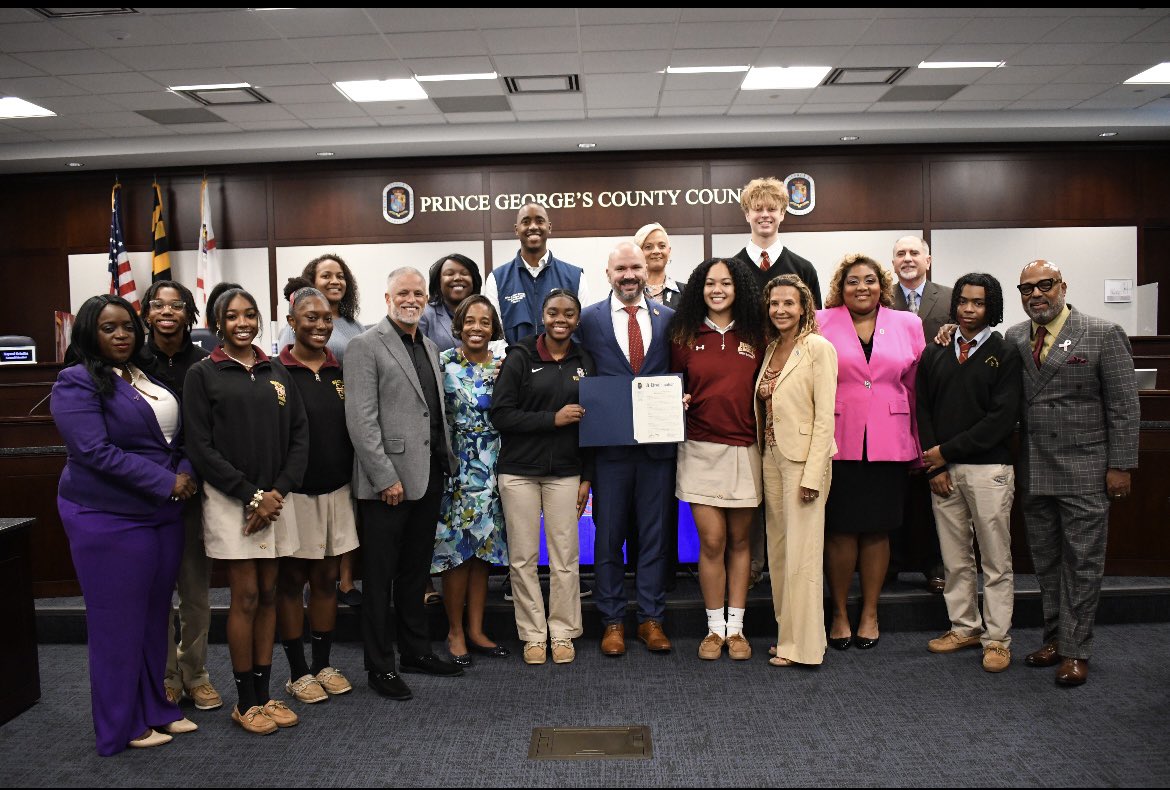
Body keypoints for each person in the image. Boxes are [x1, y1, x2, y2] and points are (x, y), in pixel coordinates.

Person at [52, 294, 198, 755]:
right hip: (107, 516)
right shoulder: (75, 382)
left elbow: (174, 439)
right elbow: (93, 452)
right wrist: (166, 482)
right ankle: (121, 724)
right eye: (109, 328)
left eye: (128, 327)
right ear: (88, 334)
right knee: (118, 625)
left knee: (155, 619)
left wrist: (187, 474)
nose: (122, 335)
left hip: (160, 512)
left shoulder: (142, 375)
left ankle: (155, 707)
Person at [1006, 260, 1139, 686]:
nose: (1036, 294)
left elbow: (1124, 406)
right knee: (1045, 564)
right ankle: (1053, 641)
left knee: (1083, 563)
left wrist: (1121, 465)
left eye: (1044, 285)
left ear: (1062, 286)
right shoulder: (1013, 338)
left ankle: (1076, 650)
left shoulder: (1101, 333)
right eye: (1027, 289)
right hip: (1035, 469)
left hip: (1086, 469)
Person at [184, 288, 309, 734]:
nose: (242, 322)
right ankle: (244, 701)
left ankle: (265, 693)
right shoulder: (204, 373)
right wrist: (251, 495)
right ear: (219, 323)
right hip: (230, 500)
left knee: (271, 593)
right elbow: (198, 445)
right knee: (248, 596)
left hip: (276, 502)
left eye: (249, 314)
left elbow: (299, 437)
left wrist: (275, 492)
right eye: (232, 315)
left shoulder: (277, 369)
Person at [344, 267, 462, 702]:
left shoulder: (429, 344)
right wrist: (383, 477)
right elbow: (361, 420)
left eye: (418, 293)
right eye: (403, 293)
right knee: (380, 579)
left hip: (428, 476)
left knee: (415, 574)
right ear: (388, 296)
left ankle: (415, 652)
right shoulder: (364, 346)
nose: (411, 299)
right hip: (387, 485)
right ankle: (379, 666)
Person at [818, 254, 924, 651]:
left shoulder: (908, 324)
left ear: (882, 285)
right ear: (840, 288)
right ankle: (841, 613)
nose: (861, 287)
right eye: (852, 281)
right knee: (841, 529)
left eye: (869, 280)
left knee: (879, 529)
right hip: (837, 437)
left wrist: (918, 443)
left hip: (890, 437)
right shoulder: (820, 321)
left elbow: (915, 387)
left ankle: (870, 612)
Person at [917, 273, 1021, 673]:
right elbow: (922, 410)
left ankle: (997, 640)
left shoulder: (1005, 351)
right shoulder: (936, 351)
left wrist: (946, 452)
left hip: (989, 471)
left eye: (978, 303)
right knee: (955, 559)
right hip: (943, 474)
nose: (969, 310)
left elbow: (1001, 420)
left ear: (990, 307)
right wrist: (934, 465)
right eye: (963, 301)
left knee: (996, 561)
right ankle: (964, 628)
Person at [575, 242, 675, 656]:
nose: (629, 274)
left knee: (655, 537)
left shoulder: (669, 318)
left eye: (635, 266)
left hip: (657, 448)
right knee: (608, 536)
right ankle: (612, 621)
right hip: (609, 449)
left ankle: (651, 619)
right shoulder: (587, 320)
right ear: (608, 273)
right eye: (621, 268)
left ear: (646, 270)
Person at [668, 257, 766, 660]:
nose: (718, 289)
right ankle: (713, 629)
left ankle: (737, 630)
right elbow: (673, 386)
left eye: (726, 283)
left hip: (746, 449)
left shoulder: (758, 334)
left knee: (741, 541)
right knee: (712, 541)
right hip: (700, 448)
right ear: (698, 288)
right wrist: (679, 399)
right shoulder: (683, 335)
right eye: (710, 283)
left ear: (739, 288)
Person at [491, 289, 595, 665]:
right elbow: (501, 415)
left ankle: (563, 631)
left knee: (566, 556)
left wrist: (587, 476)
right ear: (542, 316)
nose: (561, 319)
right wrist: (552, 419)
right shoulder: (520, 357)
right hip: (518, 471)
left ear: (577, 319)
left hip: (567, 472)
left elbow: (595, 424)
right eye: (553, 313)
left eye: (568, 313)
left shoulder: (585, 360)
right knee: (522, 558)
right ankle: (533, 635)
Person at [274, 279, 360, 704]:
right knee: (292, 582)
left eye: (327, 319)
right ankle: (297, 671)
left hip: (337, 490)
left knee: (327, 580)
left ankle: (323, 663)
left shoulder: (340, 371)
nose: (321, 326)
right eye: (311, 318)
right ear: (292, 322)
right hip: (295, 495)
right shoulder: (276, 373)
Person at [139, 281, 222, 712]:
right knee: (157, 592)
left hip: (190, 491)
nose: (168, 311)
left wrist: (186, 474)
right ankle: (167, 675)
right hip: (142, 494)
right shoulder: (133, 361)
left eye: (177, 305)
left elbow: (202, 431)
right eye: (159, 305)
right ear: (148, 314)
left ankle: (197, 675)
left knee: (195, 592)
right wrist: (159, 478)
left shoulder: (204, 363)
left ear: (190, 314)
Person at [754, 274, 838, 667]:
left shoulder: (818, 348)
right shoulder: (772, 348)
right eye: (774, 304)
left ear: (804, 305)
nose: (780, 310)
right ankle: (788, 636)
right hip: (771, 457)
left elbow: (825, 418)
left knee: (803, 555)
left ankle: (804, 648)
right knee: (780, 552)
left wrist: (812, 473)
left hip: (805, 461)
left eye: (788, 303)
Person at [275, 255, 365, 608]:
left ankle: (344, 584)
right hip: (297, 480)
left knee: (331, 563)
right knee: (296, 575)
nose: (321, 325)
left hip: (338, 464)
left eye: (340, 275)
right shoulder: (279, 366)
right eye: (326, 275)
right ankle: (299, 662)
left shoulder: (354, 328)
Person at [432, 294, 510, 667]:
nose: (477, 328)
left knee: (484, 555)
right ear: (458, 325)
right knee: (456, 555)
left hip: (495, 467)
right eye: (470, 321)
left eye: (484, 322)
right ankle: (455, 631)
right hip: (458, 469)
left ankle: (477, 629)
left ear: (493, 328)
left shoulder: (503, 366)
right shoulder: (442, 363)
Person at [890, 235, 953, 594]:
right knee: (894, 491)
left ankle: (935, 564)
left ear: (928, 259)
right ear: (893, 262)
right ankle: (891, 563)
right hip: (895, 406)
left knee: (936, 490)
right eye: (901, 254)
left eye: (915, 253)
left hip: (938, 406)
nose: (908, 258)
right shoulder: (881, 297)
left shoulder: (948, 297)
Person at [484, 202, 591, 344]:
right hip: (515, 364)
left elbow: (583, 329)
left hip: (562, 364)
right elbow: (494, 334)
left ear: (549, 227)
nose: (533, 227)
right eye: (526, 222)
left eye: (539, 221)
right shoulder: (497, 279)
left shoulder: (575, 277)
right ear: (516, 229)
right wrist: (515, 360)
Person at [730, 176, 821, 307]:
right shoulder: (730, 270)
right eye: (758, 209)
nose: (765, 215)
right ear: (747, 215)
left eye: (772, 209)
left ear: (782, 213)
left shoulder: (804, 269)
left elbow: (814, 322)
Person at [276, 254, 364, 362]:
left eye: (340, 277)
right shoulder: (297, 326)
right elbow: (285, 365)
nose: (335, 281)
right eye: (326, 276)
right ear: (312, 283)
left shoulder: (356, 326)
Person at [419, 253, 482, 352]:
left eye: (464, 273)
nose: (457, 278)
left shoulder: (485, 312)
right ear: (438, 281)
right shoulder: (425, 315)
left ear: (474, 280)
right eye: (450, 274)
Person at [634, 222, 685, 308]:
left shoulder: (685, 292)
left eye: (662, 246)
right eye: (648, 247)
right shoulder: (629, 290)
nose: (656, 251)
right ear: (637, 252)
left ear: (669, 251)